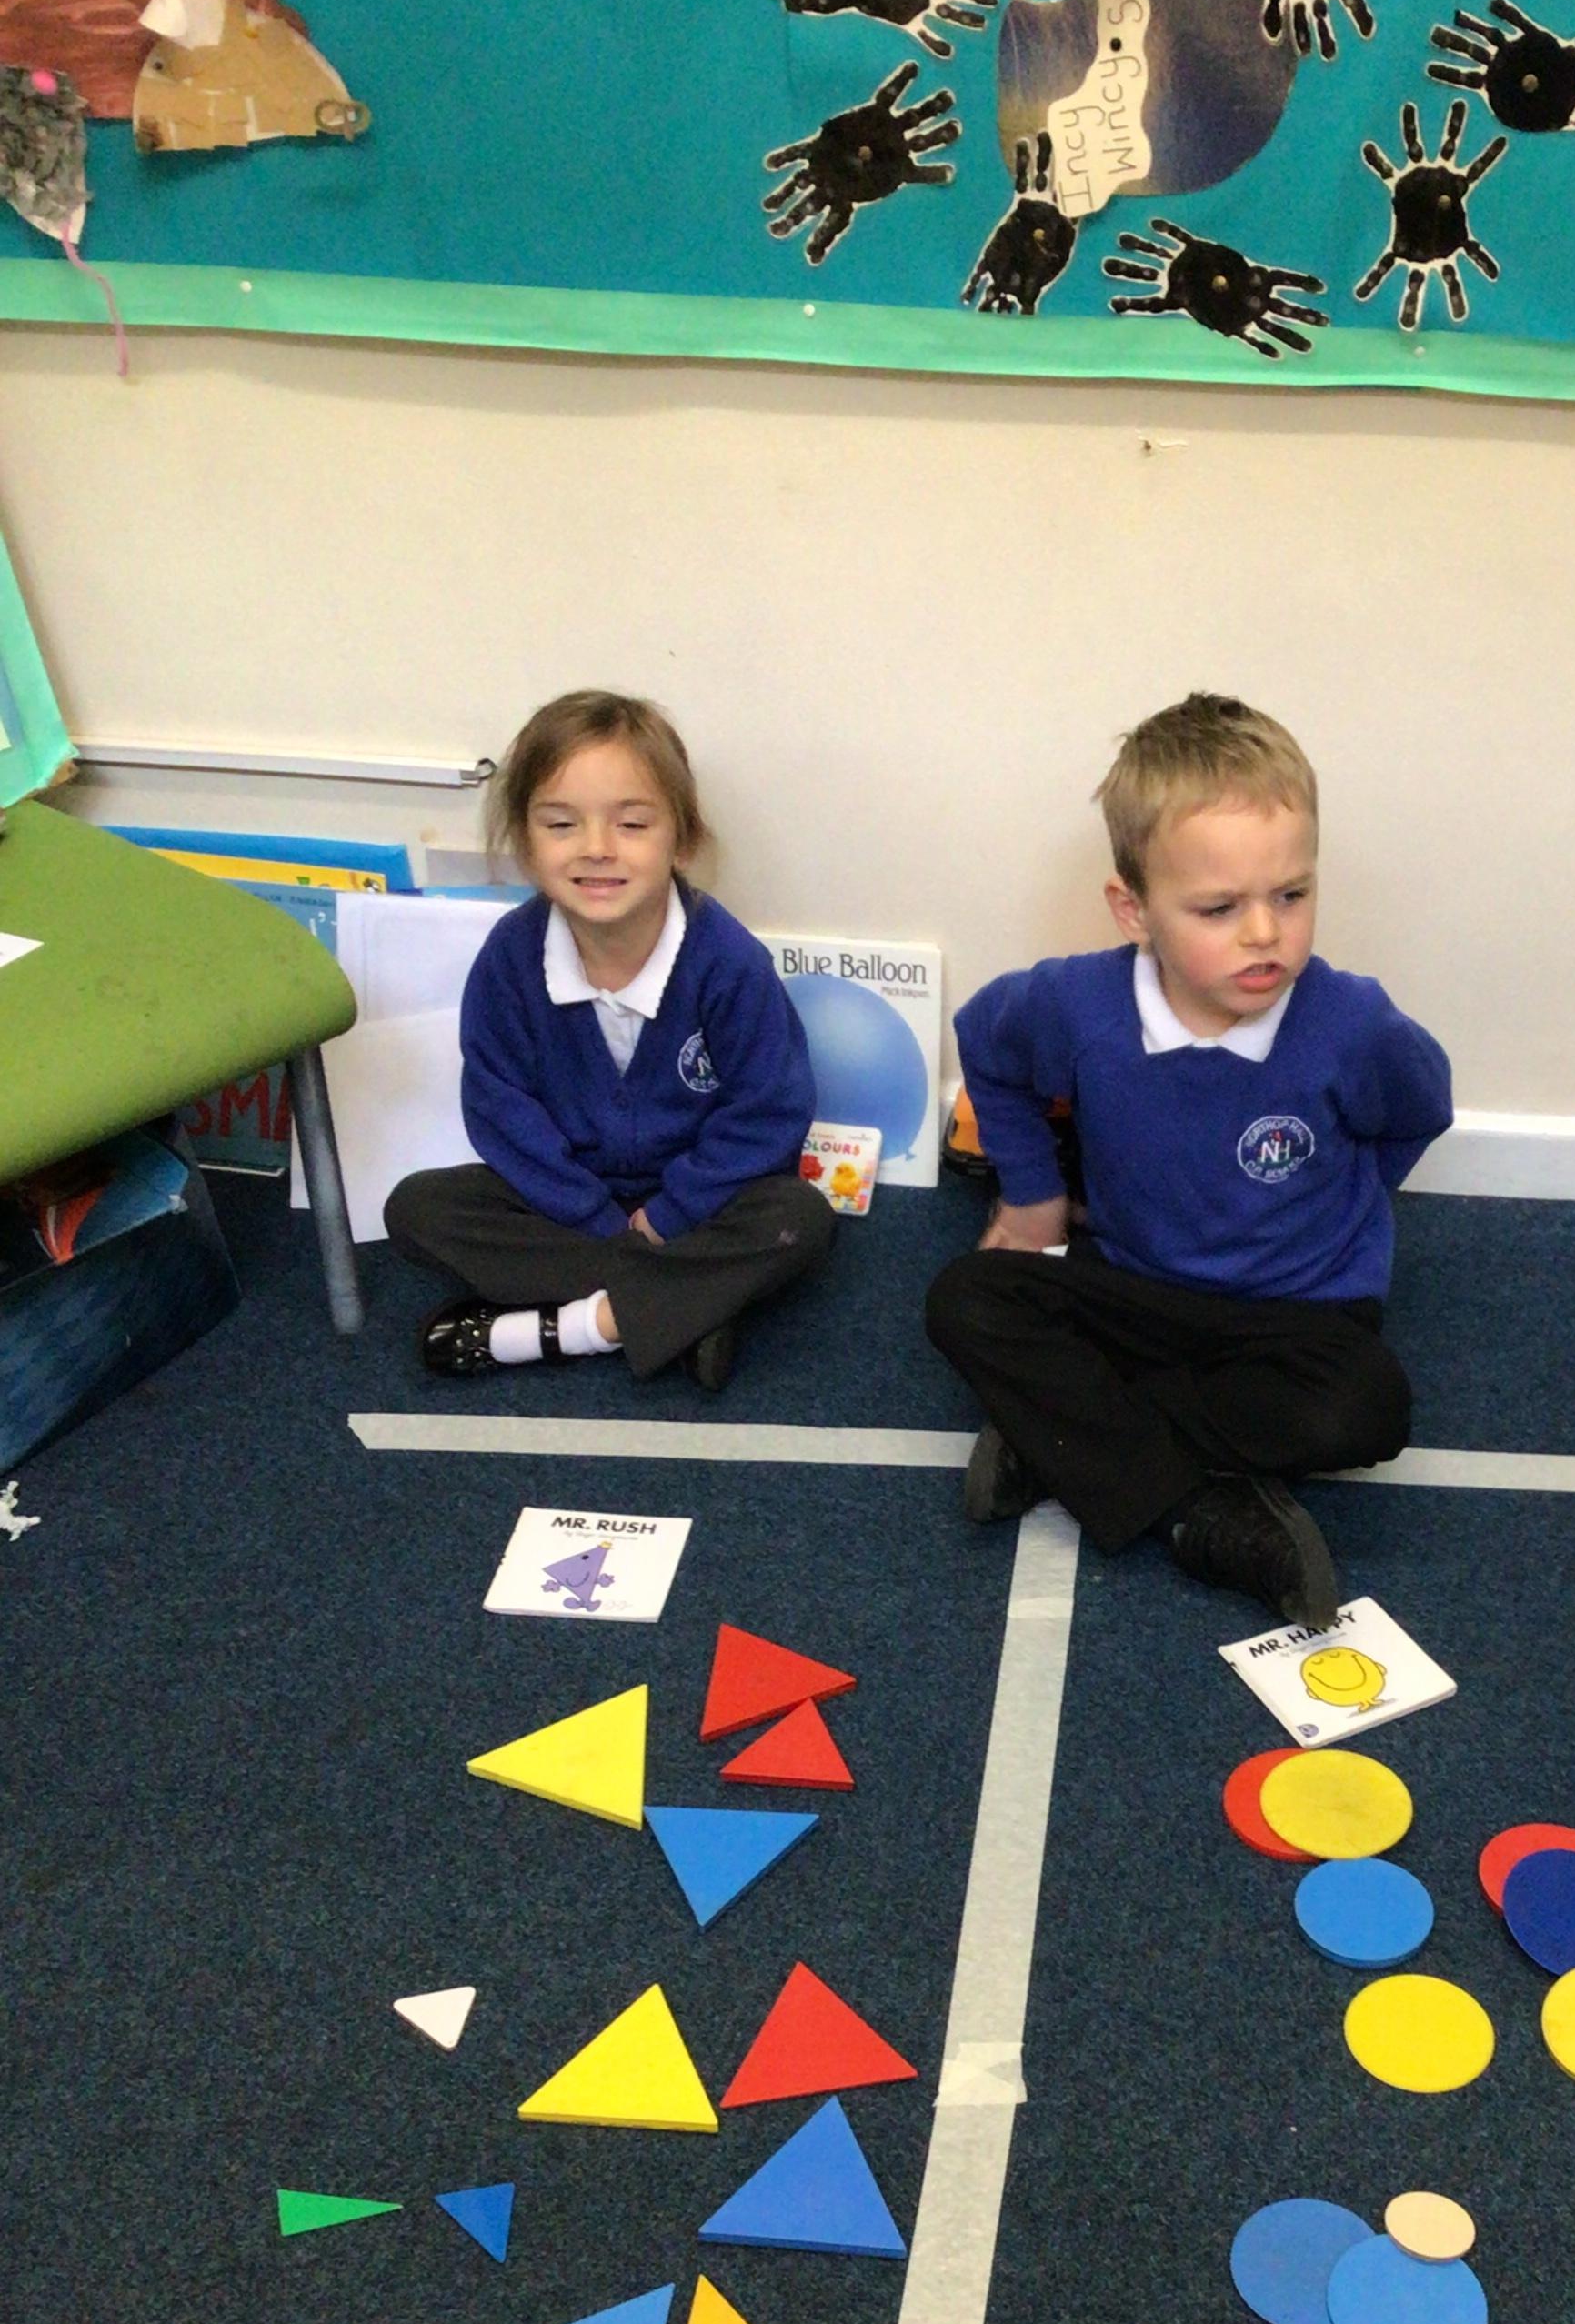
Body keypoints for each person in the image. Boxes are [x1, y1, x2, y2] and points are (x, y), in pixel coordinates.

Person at [925, 691, 1452, 1628]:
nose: (1265, 933)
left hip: (1299, 1311)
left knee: (1365, 1410)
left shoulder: (1352, 1025)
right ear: (1134, 910)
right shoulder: (1077, 1006)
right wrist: (1035, 1198)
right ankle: (1193, 1514)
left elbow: (1420, 1110)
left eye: (1292, 895)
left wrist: (1348, 1205)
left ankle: (1064, 1441)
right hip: (1132, 1290)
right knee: (965, 1299)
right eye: (1219, 907)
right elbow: (989, 1049)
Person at [386, 692, 834, 1390]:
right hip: (569, 1203)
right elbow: (501, 1110)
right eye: (562, 824)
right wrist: (598, 1219)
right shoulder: (511, 958)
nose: (597, 848)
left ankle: (578, 1327)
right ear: (526, 844)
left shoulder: (727, 961)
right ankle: (686, 1311)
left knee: (799, 1220)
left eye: (631, 823)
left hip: (700, 1202)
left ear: (682, 840)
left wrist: (668, 1217)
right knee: (417, 1209)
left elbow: (768, 1112)